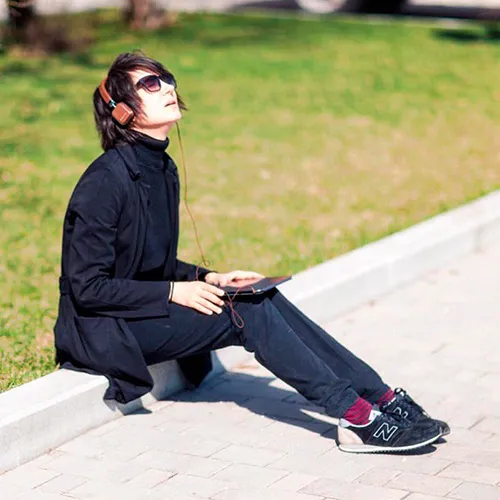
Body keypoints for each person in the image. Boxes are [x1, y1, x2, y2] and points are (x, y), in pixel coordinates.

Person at [54, 51, 449, 454]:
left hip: (139, 311)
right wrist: (173, 292)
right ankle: (357, 418)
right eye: (150, 84)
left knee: (261, 295)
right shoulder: (104, 182)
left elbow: (147, 261)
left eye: (167, 78)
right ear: (122, 110)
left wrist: (209, 278)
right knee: (247, 312)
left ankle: (380, 396)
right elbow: (88, 287)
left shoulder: (162, 168)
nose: (168, 88)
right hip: (105, 329)